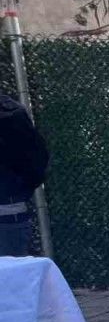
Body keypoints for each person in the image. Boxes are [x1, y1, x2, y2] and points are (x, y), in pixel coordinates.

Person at [0, 92, 48, 256]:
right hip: (10, 213)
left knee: (10, 269)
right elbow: (37, 163)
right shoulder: (12, 112)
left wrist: (13, 191)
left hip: (7, 216)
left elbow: (36, 162)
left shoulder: (11, 114)